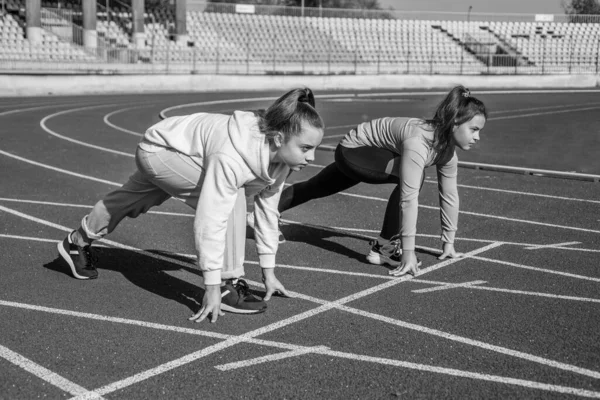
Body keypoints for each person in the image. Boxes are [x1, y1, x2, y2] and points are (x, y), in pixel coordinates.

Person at [57, 88, 325, 323]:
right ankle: (226, 284)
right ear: (279, 139)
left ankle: (76, 241)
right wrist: (211, 283)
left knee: (132, 200)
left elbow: (267, 211)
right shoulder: (232, 156)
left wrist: (269, 273)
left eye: (314, 148)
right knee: (229, 201)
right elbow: (211, 218)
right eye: (305, 148)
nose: (311, 157)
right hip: (160, 149)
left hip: (178, 149)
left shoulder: (279, 161)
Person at [277, 85, 487, 278]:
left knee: (316, 187)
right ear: (454, 124)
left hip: (371, 155)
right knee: (415, 177)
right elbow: (408, 198)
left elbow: (449, 196)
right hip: (354, 150)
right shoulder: (418, 142)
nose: (478, 137)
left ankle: (267, 211)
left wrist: (448, 243)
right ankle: (384, 247)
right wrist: (408, 252)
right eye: (474, 129)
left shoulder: (448, 153)